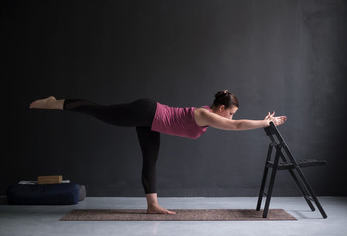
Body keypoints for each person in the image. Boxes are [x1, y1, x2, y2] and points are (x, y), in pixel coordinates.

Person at [29, 90, 287, 214]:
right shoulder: (205, 115)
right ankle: (57, 104)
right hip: (147, 112)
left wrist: (264, 121)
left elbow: (237, 122)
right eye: (229, 111)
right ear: (220, 108)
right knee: (101, 111)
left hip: (151, 121)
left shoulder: (208, 114)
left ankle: (152, 205)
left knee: (150, 159)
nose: (230, 117)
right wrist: (266, 122)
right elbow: (237, 125)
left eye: (231, 113)